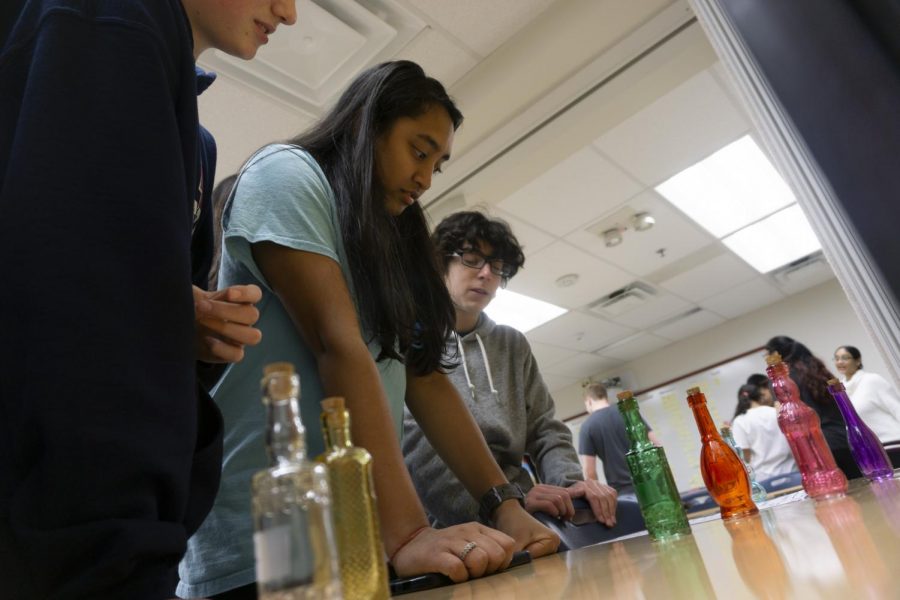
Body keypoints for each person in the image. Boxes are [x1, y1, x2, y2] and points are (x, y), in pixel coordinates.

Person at [179, 62, 558, 599]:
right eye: (418, 150)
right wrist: (408, 530)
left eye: (438, 165)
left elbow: (425, 381)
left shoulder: (395, 237)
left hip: (361, 538)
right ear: (366, 125)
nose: (426, 178)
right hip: (264, 535)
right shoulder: (286, 174)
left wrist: (506, 505)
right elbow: (338, 344)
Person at [0, 0, 293, 596]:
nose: (287, 12)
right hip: (76, 534)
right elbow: (73, 312)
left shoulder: (196, 143)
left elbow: (86, 267)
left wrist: (186, 325)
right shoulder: (108, 17)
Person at [403, 211, 619, 529]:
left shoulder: (512, 344)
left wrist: (572, 486)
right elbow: (417, 449)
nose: (487, 274)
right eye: (472, 259)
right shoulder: (410, 340)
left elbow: (545, 429)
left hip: (525, 509)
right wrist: (502, 505)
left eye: (497, 266)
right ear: (439, 264)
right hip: (454, 525)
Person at [764, 336, 861, 479]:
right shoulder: (821, 372)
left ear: (775, 355)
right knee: (865, 488)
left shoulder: (784, 381)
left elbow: (786, 419)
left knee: (836, 495)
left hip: (819, 446)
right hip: (848, 439)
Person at [578, 383, 661, 497]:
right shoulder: (628, 412)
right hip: (651, 483)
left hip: (623, 492)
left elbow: (589, 471)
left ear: (589, 401)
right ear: (605, 397)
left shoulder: (587, 426)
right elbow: (655, 445)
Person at [833, 345, 900, 443]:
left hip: (894, 441)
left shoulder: (872, 380)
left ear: (857, 360)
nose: (839, 362)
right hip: (873, 448)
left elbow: (897, 408)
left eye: (845, 358)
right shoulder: (841, 391)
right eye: (836, 358)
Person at [731, 384, 797, 480]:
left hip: (764, 478)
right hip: (791, 471)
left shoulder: (740, 421)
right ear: (760, 396)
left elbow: (745, 455)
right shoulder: (777, 412)